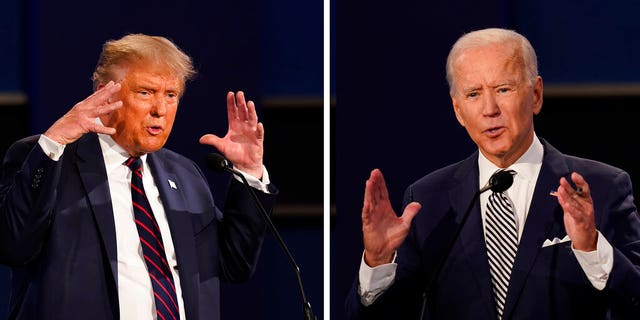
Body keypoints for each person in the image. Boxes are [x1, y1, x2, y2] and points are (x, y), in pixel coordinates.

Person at [345, 27, 640, 319]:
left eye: (503, 89)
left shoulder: (603, 187)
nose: (490, 109)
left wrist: (591, 248)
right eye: (474, 94)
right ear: (458, 110)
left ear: (536, 95)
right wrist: (378, 261)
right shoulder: (426, 201)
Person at [0, 34, 277, 320]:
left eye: (171, 95)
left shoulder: (183, 175)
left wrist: (248, 172)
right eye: (145, 92)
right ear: (104, 93)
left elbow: (234, 264)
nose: (160, 110)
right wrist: (53, 142)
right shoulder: (49, 158)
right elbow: (12, 245)